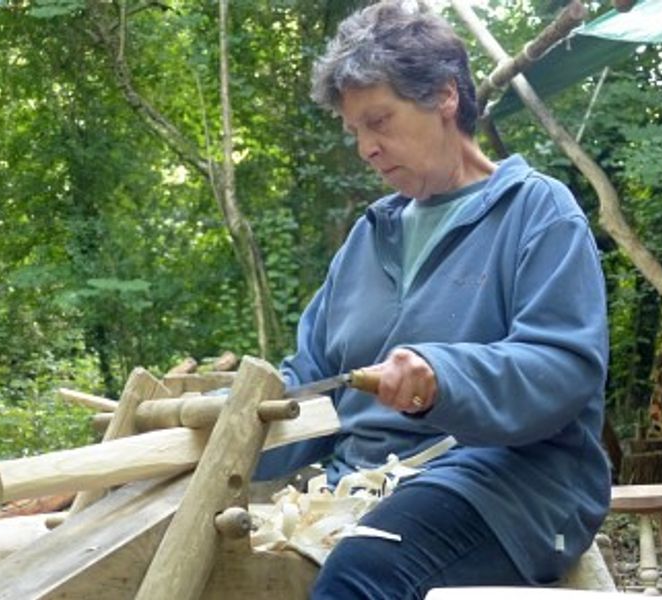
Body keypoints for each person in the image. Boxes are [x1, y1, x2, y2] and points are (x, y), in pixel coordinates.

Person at [255, 1, 611, 597]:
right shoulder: (369, 238)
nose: (366, 147)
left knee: (366, 570)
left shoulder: (537, 212)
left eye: (380, 121)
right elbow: (310, 385)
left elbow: (563, 367)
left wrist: (440, 378)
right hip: (357, 488)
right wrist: (221, 429)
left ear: (445, 96)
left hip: (508, 482)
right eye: (355, 132)